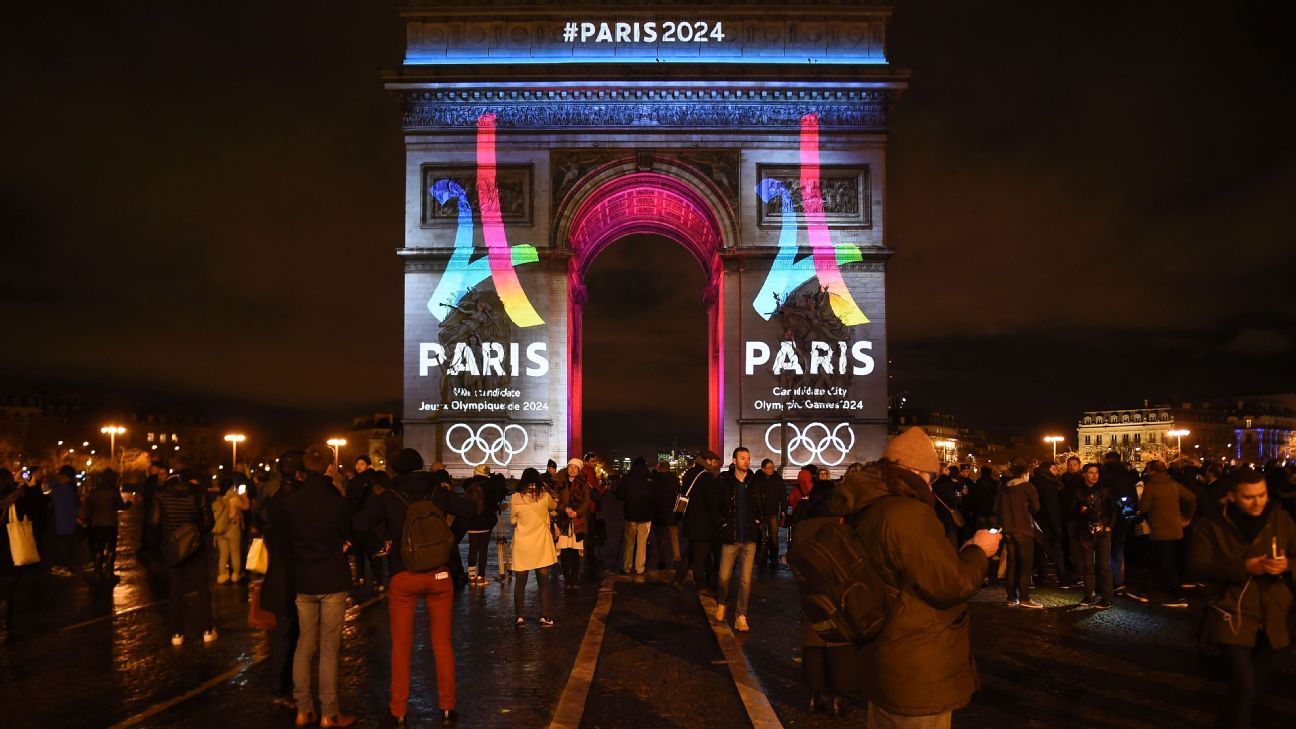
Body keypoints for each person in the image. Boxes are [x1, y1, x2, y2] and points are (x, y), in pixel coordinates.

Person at [831, 427, 1001, 728]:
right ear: (915, 471)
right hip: (916, 659)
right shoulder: (908, 513)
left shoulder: (869, 506)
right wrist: (979, 551)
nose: (932, 485)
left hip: (883, 653)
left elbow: (912, 567)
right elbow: (950, 585)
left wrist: (956, 556)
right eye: (931, 476)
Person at [354, 447, 471, 727]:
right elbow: (467, 509)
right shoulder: (437, 492)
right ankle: (447, 706)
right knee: (442, 644)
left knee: (402, 646)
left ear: (394, 469)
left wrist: (378, 547)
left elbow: (359, 523)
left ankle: (399, 709)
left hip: (402, 574)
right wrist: (450, 540)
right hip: (439, 575)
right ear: (420, 466)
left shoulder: (388, 496)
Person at [1188, 468, 1295, 729]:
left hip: (1272, 614)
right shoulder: (1209, 525)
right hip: (1230, 612)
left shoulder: (1280, 519)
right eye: (1250, 497)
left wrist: (1287, 565)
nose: (1258, 502)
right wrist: (1244, 567)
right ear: (1232, 496)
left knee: (1258, 690)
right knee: (1244, 688)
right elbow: (1196, 566)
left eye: (1262, 495)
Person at [284, 443, 357, 727]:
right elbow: (348, 533)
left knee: (304, 645)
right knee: (329, 649)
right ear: (329, 467)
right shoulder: (336, 501)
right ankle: (330, 712)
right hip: (332, 578)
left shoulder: (292, 501)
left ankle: (303, 708)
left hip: (303, 579)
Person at [796, 470, 857, 715]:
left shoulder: (801, 526)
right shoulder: (840, 524)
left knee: (813, 644)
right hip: (837, 592)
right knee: (839, 645)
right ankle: (836, 698)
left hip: (810, 590)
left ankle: (813, 696)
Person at [151, 469, 216, 645]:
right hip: (195, 546)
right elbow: (209, 522)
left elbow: (154, 521)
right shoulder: (198, 493)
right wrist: (195, 532)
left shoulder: (161, 494)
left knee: (175, 591)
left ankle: (177, 634)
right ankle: (207, 630)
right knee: (202, 589)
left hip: (172, 547)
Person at [262, 451, 304, 710]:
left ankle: (281, 685)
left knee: (282, 633)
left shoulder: (276, 497)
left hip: (277, 573)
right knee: (289, 634)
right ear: (299, 474)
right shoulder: (296, 500)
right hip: (293, 575)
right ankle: (282, 687)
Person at [1126, 460, 1197, 608]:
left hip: (1159, 530)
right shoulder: (1173, 484)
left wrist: (1135, 508)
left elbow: (1144, 507)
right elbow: (1191, 498)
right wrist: (1187, 517)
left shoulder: (1151, 487)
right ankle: (1143, 591)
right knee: (1156, 560)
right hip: (1175, 528)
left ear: (1152, 471)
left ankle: (1179, 596)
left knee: (1165, 563)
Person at [714, 447, 761, 632]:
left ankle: (741, 616)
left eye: (748, 458)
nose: (746, 461)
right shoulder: (724, 481)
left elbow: (760, 505)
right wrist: (724, 526)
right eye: (742, 458)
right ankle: (722, 601)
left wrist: (758, 522)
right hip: (730, 538)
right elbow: (716, 508)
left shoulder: (754, 481)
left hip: (749, 539)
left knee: (746, 581)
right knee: (724, 578)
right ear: (734, 461)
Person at [509, 467, 557, 627]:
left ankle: (519, 617)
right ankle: (545, 616)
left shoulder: (515, 497)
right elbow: (554, 507)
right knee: (543, 582)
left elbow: (513, 521)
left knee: (520, 583)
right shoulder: (544, 496)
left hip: (522, 545)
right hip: (540, 544)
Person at [672, 450, 721, 592]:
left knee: (691, 552)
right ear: (708, 460)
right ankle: (701, 585)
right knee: (700, 556)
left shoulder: (690, 472)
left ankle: (678, 579)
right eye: (714, 461)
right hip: (702, 523)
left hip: (690, 521)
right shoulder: (706, 476)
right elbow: (711, 501)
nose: (716, 464)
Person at [995, 462, 1042, 609]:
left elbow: (998, 508)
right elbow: (1036, 508)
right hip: (1024, 529)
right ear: (1025, 473)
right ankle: (1025, 597)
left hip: (1008, 530)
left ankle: (1011, 597)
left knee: (1012, 564)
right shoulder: (1028, 487)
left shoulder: (1005, 487)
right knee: (1025, 566)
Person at [1072, 463, 1115, 608]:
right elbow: (1072, 511)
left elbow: (1114, 509)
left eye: (1096, 472)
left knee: (1103, 565)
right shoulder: (1078, 491)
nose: (1094, 475)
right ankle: (1088, 595)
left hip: (1102, 530)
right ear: (1084, 474)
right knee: (1087, 565)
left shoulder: (1105, 490)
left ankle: (1107, 597)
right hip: (1085, 531)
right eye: (1091, 472)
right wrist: (1080, 511)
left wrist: (1109, 526)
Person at [344, 455, 385, 589]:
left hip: (358, 521)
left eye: (361, 463)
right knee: (373, 553)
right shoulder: (378, 480)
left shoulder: (356, 482)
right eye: (357, 463)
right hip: (374, 523)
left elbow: (352, 503)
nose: (358, 466)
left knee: (359, 552)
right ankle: (379, 580)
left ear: (367, 465)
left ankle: (361, 577)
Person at [83, 468, 130, 583]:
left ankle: (97, 572)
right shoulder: (113, 492)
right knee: (111, 548)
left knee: (99, 548)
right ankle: (109, 573)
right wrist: (129, 504)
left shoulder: (94, 492)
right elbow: (121, 506)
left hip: (96, 524)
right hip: (110, 523)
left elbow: (88, 509)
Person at [1030, 463, 1072, 587]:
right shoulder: (1049, 485)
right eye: (1053, 469)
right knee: (1056, 551)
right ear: (1046, 471)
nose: (1056, 471)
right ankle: (1063, 579)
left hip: (1036, 522)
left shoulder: (1034, 481)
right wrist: (1057, 527)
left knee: (1039, 552)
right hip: (1048, 523)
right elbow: (1051, 507)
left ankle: (1040, 577)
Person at [554, 458, 590, 590]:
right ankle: (567, 578)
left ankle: (574, 578)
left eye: (576, 467)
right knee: (564, 551)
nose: (573, 470)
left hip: (577, 521)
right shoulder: (560, 483)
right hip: (563, 520)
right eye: (571, 467)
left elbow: (586, 502)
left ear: (579, 470)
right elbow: (555, 500)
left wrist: (577, 513)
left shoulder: (583, 484)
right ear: (567, 468)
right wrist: (565, 509)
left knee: (575, 551)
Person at [616, 458, 655, 577]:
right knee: (642, 542)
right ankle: (640, 568)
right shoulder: (650, 479)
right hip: (646, 515)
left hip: (630, 514)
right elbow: (655, 496)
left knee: (629, 542)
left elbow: (619, 495)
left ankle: (627, 567)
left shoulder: (627, 478)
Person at [212, 478, 250, 584]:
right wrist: (244, 496)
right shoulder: (234, 498)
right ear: (231, 487)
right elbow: (246, 507)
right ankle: (235, 575)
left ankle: (222, 575)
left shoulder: (219, 499)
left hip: (220, 529)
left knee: (223, 554)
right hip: (232, 528)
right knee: (235, 552)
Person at [463, 473, 498, 587]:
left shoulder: (468, 490)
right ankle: (481, 577)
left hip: (472, 525)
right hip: (484, 525)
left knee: (472, 550)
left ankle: (472, 577)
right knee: (483, 551)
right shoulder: (487, 490)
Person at [48, 466, 80, 577]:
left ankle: (58, 566)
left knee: (61, 545)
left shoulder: (55, 488)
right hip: (67, 522)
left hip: (58, 521)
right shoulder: (67, 489)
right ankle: (63, 567)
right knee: (66, 547)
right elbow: (72, 506)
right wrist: (78, 517)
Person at [753, 459, 785, 569]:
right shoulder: (757, 479)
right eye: (769, 467)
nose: (772, 469)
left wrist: (783, 510)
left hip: (772, 512)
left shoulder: (777, 479)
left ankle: (773, 558)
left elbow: (783, 495)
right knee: (762, 537)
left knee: (774, 537)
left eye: (773, 467)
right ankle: (761, 558)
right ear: (763, 469)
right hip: (761, 513)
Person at [650, 460, 681, 570]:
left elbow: (652, 497)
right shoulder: (674, 479)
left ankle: (662, 560)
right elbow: (680, 496)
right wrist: (679, 512)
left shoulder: (655, 479)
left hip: (659, 514)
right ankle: (677, 559)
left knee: (661, 539)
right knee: (674, 538)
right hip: (671, 513)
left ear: (660, 468)